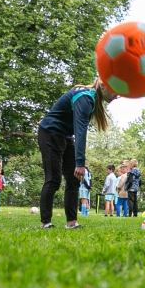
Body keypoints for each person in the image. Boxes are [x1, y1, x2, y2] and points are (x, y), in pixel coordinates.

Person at [37, 78, 118, 229]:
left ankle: (71, 222)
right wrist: (80, 162)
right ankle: (45, 222)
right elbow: (80, 131)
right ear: (103, 86)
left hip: (65, 136)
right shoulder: (85, 97)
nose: (116, 96)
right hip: (50, 133)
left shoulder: (92, 98)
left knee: (74, 179)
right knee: (53, 179)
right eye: (115, 91)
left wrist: (79, 165)